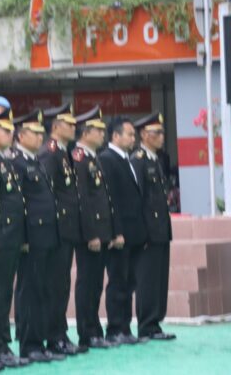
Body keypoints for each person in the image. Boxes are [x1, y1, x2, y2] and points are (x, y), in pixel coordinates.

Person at [11, 109, 64, 364]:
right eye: (34, 132)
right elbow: (18, 204)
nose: (40, 136)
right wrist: (23, 237)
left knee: (43, 288)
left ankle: (40, 340)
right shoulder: (18, 162)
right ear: (21, 136)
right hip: (31, 236)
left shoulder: (35, 161)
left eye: (41, 132)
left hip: (46, 235)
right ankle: (29, 343)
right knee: (29, 290)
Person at [71, 106, 122, 350]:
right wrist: (91, 234)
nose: (103, 134)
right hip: (89, 234)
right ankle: (86, 331)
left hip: (101, 232)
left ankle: (94, 329)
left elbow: (105, 198)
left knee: (96, 284)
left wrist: (109, 232)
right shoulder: (79, 158)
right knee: (87, 282)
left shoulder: (93, 157)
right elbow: (83, 199)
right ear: (85, 132)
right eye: (98, 130)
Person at [38, 102, 84, 356]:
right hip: (56, 229)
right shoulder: (50, 152)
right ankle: (53, 335)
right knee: (54, 285)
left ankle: (59, 333)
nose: (74, 127)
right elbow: (47, 192)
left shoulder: (63, 153)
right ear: (56, 127)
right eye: (69, 124)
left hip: (66, 229)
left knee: (62, 284)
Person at [0, 109, 29, 368]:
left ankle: (2, 343)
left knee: (4, 295)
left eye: (12, 130)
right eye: (5, 130)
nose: (11, 134)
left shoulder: (6, 160)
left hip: (11, 237)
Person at [99, 117, 146, 346]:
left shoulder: (127, 159)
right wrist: (115, 231)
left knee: (129, 282)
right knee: (118, 282)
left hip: (133, 232)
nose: (133, 138)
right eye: (129, 134)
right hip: (120, 234)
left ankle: (125, 327)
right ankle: (115, 327)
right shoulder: (107, 159)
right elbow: (111, 199)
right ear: (115, 136)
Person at [131, 113, 176, 341]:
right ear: (144, 135)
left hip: (160, 230)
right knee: (147, 280)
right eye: (156, 132)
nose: (161, 136)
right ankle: (146, 325)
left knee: (159, 279)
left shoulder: (155, 159)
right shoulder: (138, 160)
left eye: (161, 132)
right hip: (148, 232)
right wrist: (142, 232)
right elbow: (137, 199)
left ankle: (155, 322)